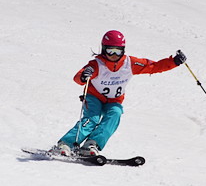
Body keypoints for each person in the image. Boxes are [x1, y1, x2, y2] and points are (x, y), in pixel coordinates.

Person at [55, 30, 186, 156]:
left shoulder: (130, 63)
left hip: (114, 100)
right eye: (110, 50)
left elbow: (154, 67)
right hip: (94, 97)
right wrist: (84, 76)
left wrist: (174, 61)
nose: (114, 55)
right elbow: (78, 77)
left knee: (115, 114)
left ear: (123, 50)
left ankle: (91, 144)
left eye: (118, 51)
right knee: (92, 119)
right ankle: (66, 143)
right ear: (103, 49)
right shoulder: (97, 64)